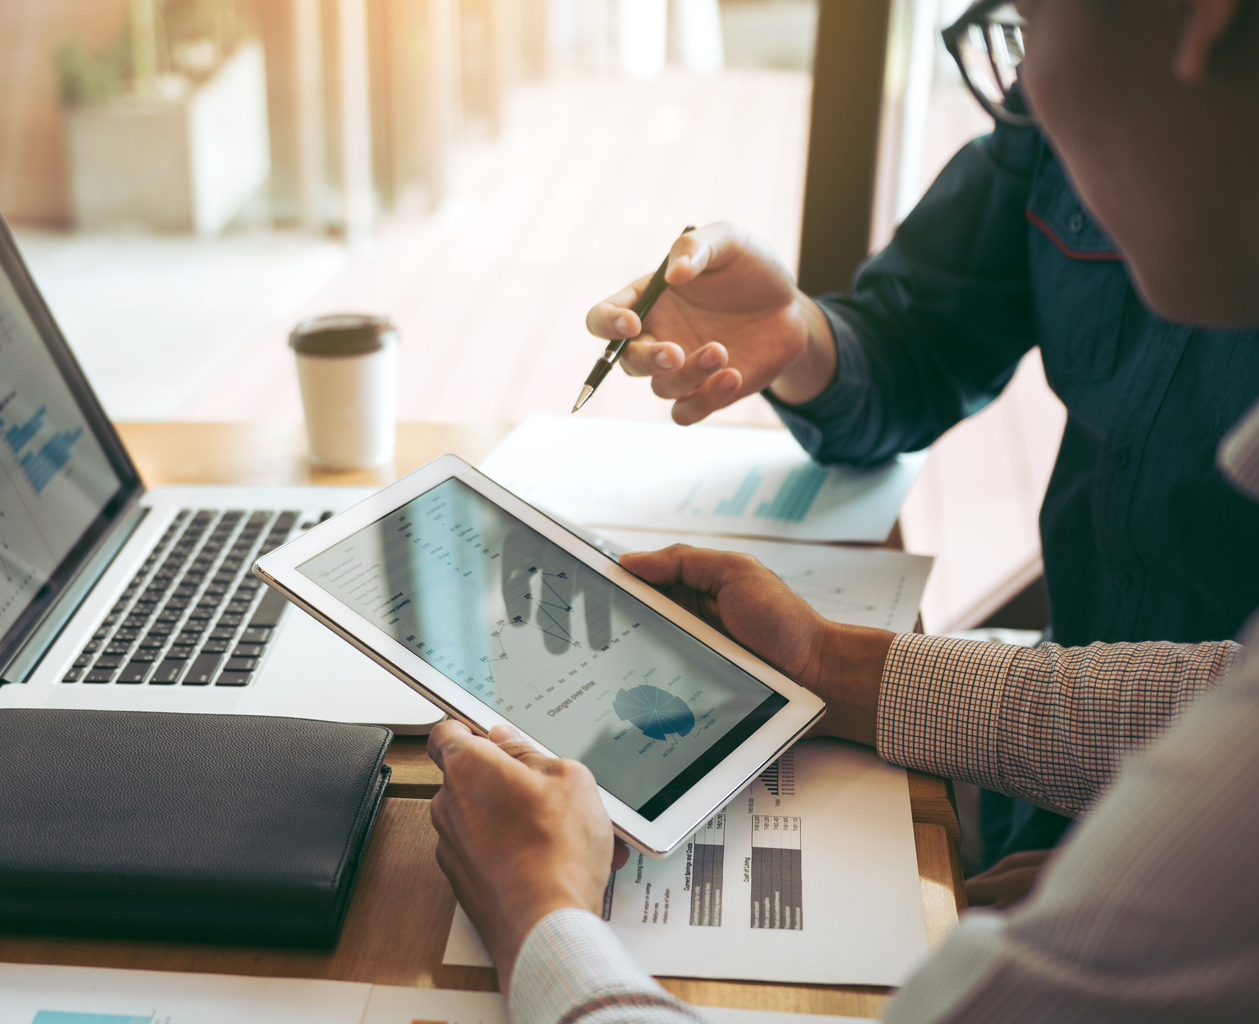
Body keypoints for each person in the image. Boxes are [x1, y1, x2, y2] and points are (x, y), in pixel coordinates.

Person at [426, 1, 1259, 1020]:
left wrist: (539, 912)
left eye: (1031, 16)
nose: (1028, 82)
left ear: (1202, 23)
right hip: (1055, 789)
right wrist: (833, 665)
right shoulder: (1093, 138)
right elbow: (1219, 687)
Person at [583, 0, 1259, 876]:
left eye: (1031, 18)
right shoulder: (1060, 114)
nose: (1029, 80)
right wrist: (800, 337)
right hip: (1039, 770)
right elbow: (923, 340)